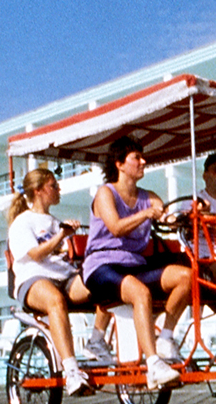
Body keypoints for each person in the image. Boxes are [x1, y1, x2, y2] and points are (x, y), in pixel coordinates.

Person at [82, 136, 192, 390]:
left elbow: (164, 213)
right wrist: (145, 213)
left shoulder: (148, 196)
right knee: (140, 293)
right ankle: (153, 364)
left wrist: (184, 214)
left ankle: (165, 338)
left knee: (186, 276)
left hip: (134, 265)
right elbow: (117, 227)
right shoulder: (105, 193)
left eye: (142, 157)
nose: (143, 161)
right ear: (120, 164)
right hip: (102, 266)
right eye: (136, 158)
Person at [6, 168, 98, 396]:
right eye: (53, 186)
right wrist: (61, 236)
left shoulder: (56, 222)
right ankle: (72, 372)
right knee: (55, 301)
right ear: (38, 191)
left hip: (63, 277)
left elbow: (66, 254)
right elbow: (36, 255)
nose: (59, 190)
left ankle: (98, 343)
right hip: (33, 278)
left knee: (104, 283)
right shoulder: (22, 223)